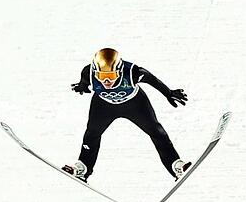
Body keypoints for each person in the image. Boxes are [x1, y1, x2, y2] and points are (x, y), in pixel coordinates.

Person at [63, 48, 191, 182]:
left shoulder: (133, 72)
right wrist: (82, 86)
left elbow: (153, 80)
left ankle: (176, 165)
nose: (107, 81)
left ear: (119, 70)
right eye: (101, 76)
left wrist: (169, 93)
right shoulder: (88, 73)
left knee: (157, 132)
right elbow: (84, 81)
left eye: (111, 76)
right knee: (91, 134)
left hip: (135, 105)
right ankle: (82, 167)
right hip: (104, 106)